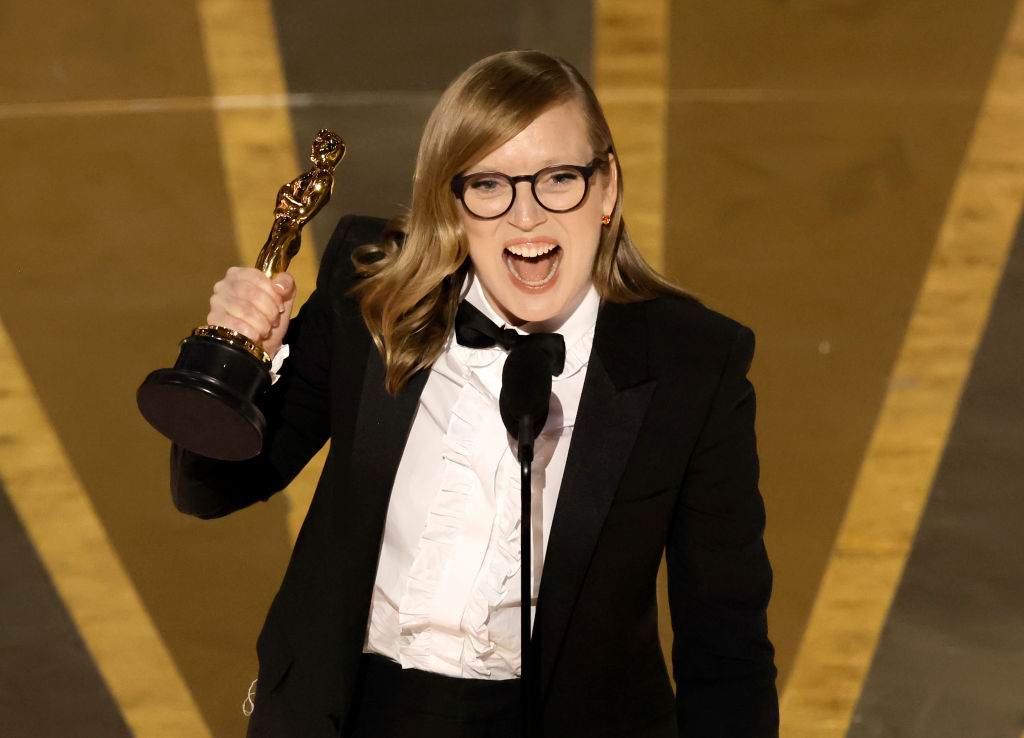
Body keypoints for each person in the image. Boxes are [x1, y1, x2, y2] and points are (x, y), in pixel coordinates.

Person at [172, 50, 778, 737]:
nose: (526, 217)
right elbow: (209, 489)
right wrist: (229, 357)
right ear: (453, 203)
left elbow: (725, 648)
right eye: (490, 185)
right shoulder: (375, 294)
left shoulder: (692, 363)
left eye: (558, 179)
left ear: (607, 188)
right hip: (348, 715)